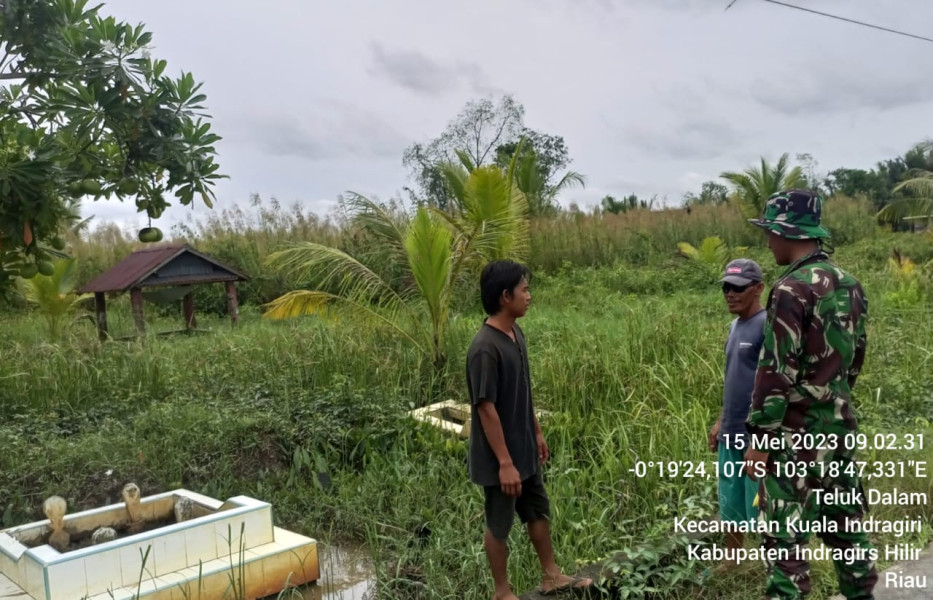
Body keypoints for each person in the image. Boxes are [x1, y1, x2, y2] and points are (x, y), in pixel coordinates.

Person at [742, 189, 878, 600]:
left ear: (787, 232)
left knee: (785, 539)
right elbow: (855, 359)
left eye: (770, 232)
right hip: (837, 429)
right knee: (846, 527)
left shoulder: (790, 290)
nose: (768, 242)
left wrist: (761, 440)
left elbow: (775, 370)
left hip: (794, 438)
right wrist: (831, 400)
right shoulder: (851, 285)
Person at [466, 259, 592, 600]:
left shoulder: (515, 334)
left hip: (523, 448)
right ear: (505, 296)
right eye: (524, 290)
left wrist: (535, 431)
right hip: (499, 458)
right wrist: (505, 462)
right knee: (500, 524)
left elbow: (523, 390)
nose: (529, 296)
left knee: (537, 508)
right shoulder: (484, 348)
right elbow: (485, 408)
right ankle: (502, 592)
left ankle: (551, 575)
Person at [708, 258, 766, 555]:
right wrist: (721, 421)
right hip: (730, 430)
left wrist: (761, 439)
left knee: (760, 502)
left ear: (758, 289)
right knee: (730, 498)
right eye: (726, 288)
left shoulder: (767, 325)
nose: (730, 294)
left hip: (754, 434)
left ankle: (776, 565)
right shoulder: (734, 326)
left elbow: (772, 386)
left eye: (738, 288)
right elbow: (734, 380)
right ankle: (733, 558)